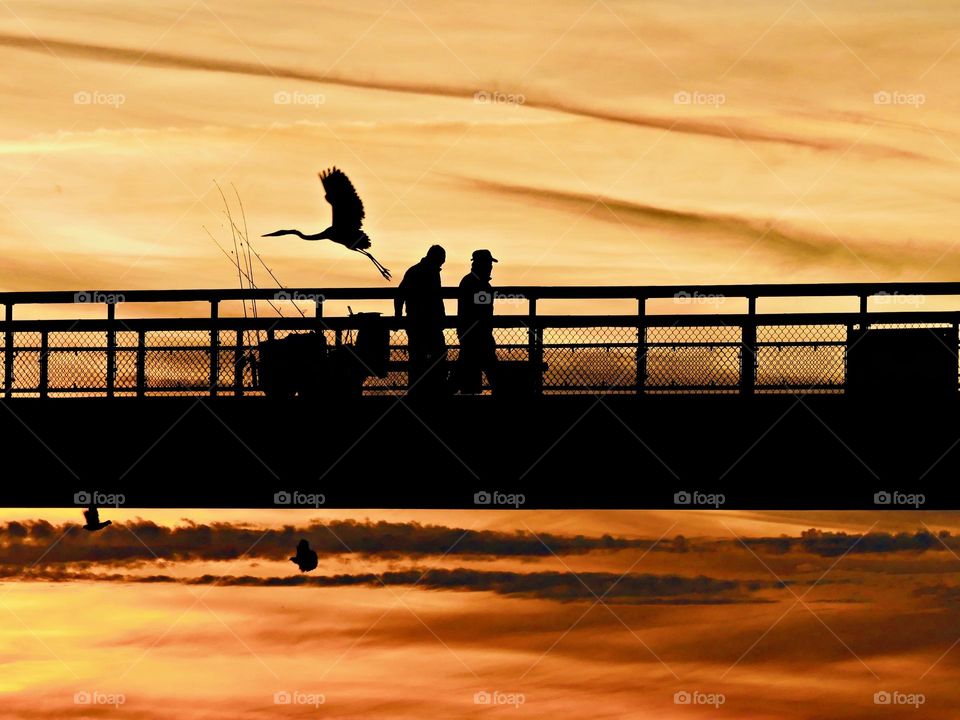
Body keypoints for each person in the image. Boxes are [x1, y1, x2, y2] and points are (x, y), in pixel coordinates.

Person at [395, 245, 447, 396]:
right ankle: (431, 393)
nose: (441, 265)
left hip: (419, 323)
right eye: (441, 261)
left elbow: (399, 295)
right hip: (424, 324)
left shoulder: (418, 270)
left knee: (420, 360)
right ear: (437, 258)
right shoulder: (422, 271)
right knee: (432, 359)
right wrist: (398, 317)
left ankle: (420, 392)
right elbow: (400, 294)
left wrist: (398, 317)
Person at [454, 249, 499, 394]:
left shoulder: (472, 281)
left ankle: (443, 397)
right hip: (476, 334)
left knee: (466, 371)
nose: (490, 267)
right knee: (487, 369)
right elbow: (479, 308)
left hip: (474, 333)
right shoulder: (474, 283)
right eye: (488, 264)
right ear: (480, 264)